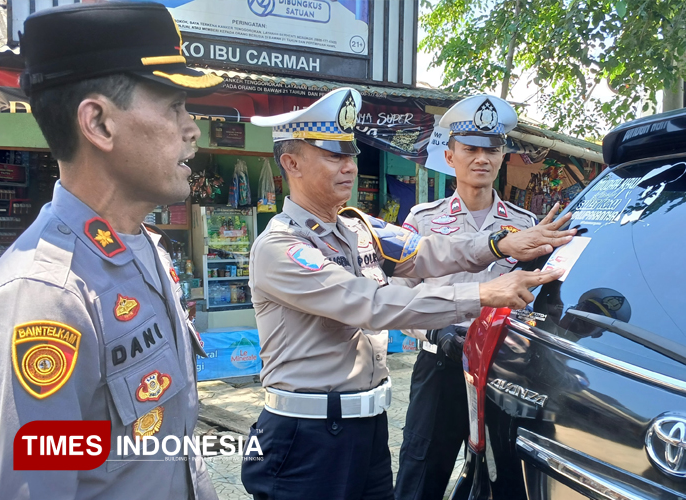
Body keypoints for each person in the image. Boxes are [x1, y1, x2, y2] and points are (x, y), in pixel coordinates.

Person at [240, 87, 576, 500]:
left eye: (351, 155)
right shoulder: (282, 247)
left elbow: (426, 252)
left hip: (367, 427)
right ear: (291, 163)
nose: (349, 167)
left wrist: (499, 245)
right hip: (306, 438)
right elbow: (371, 303)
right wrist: (485, 292)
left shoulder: (358, 229)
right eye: (334, 156)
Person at [0, 3, 224, 499]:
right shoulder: (45, 298)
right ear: (99, 124)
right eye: (174, 105)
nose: (193, 128)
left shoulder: (145, 252)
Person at [394, 95, 540, 500]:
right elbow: (397, 296)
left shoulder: (523, 226)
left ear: (502, 156)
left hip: (504, 372)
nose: (481, 158)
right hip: (441, 364)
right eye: (471, 149)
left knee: (507, 478)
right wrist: (435, 332)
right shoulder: (422, 221)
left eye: (491, 149)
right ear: (450, 155)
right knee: (420, 473)